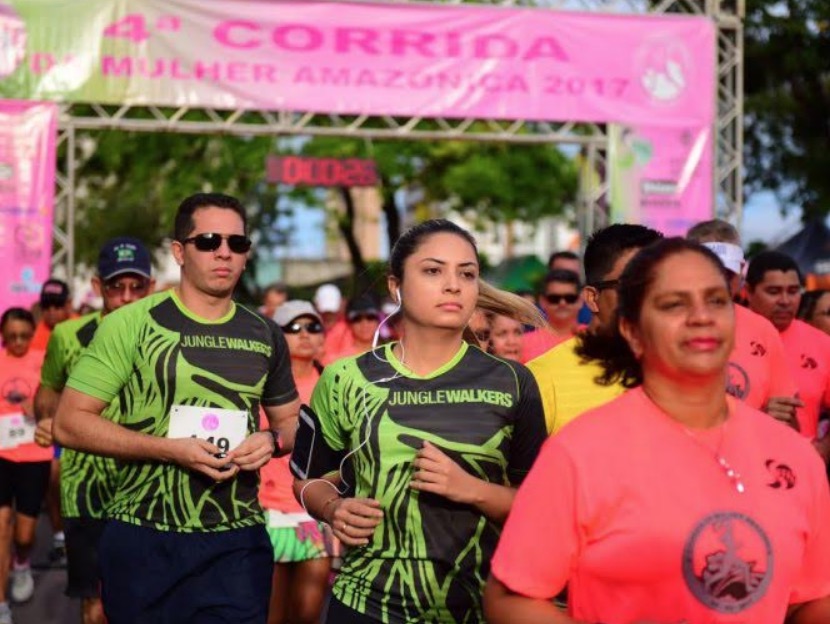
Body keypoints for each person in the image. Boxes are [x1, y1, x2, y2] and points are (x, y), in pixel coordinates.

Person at [484, 238, 830, 624]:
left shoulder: (795, 456)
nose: (701, 316)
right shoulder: (580, 453)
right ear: (632, 331)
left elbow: (811, 598)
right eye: (674, 304)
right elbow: (511, 597)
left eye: (716, 300)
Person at [52, 192, 301, 623]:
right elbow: (70, 424)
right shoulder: (129, 324)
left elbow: (293, 422)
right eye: (208, 241)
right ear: (180, 252)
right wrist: (170, 448)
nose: (223, 252)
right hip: (144, 534)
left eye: (236, 243)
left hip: (236, 538)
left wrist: (273, 440)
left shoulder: (264, 333)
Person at [292, 219, 548, 623]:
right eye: (433, 271)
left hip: (477, 607)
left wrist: (471, 489)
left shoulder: (513, 381)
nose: (453, 285)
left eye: (467, 274)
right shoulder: (345, 378)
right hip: (364, 606)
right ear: (395, 286)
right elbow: (308, 480)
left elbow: (540, 508)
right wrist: (333, 508)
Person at [34, 236, 155, 624]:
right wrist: (46, 418)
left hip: (148, 492)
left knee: (141, 601)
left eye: (137, 286)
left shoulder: (170, 339)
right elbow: (48, 388)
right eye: (116, 286)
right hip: (85, 491)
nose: (126, 296)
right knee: (94, 606)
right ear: (97, 286)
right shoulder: (68, 336)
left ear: (151, 287)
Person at [527, 224, 663, 433]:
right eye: (631, 286)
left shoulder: (682, 369)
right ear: (592, 298)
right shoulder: (541, 378)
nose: (646, 299)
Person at [260, 301, 332, 624]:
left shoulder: (335, 383)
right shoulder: (259, 385)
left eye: (313, 326)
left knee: (307, 616)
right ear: (277, 337)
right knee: (270, 616)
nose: (305, 334)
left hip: (315, 513)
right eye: (294, 328)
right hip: (268, 511)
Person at [687, 219, 800, 427]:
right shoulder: (666, 324)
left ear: (740, 271)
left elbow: (791, 424)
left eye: (727, 273)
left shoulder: (763, 330)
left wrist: (773, 419)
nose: (717, 282)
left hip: (749, 456)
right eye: (708, 271)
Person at [746, 251, 830, 451]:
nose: (785, 300)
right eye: (773, 291)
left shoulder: (821, 343)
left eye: (793, 291)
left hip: (803, 470)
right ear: (748, 291)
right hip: (739, 464)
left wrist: (824, 448)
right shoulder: (727, 336)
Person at [0, 308, 50, 623]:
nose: (18, 341)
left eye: (24, 335)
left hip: (35, 454)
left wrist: (42, 404)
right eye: (11, 336)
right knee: (1, 525)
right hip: (1, 454)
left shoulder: (44, 361)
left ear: (32, 334)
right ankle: (1, 602)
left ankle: (21, 563)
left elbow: (59, 401)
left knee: (24, 534)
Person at [521, 269, 583, 362]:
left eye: (570, 298)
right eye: (554, 298)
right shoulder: (522, 343)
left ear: (580, 300)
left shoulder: (596, 338)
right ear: (542, 301)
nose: (562, 303)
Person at [323, 296, 381, 364]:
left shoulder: (392, 351)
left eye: (370, 317)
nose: (364, 324)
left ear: (378, 320)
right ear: (349, 323)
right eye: (357, 319)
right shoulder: (338, 360)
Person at [31, 279, 73, 352]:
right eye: (46, 306)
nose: (51, 312)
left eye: (57, 306)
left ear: (68, 305)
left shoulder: (82, 328)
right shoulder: (32, 335)